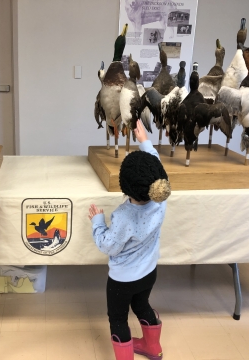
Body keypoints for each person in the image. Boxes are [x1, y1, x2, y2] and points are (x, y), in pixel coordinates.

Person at [88, 119, 170, 360]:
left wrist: (97, 222)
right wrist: (145, 141)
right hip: (149, 272)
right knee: (142, 305)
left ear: (125, 187)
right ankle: (153, 348)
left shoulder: (124, 216)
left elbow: (108, 245)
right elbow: (157, 167)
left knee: (118, 319)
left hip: (122, 281)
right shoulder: (161, 197)